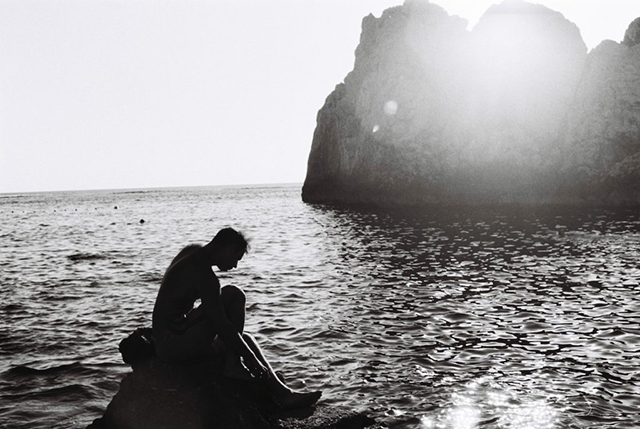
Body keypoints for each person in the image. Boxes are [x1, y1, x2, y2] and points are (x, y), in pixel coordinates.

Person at [152, 227, 321, 409]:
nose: (235, 266)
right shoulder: (204, 274)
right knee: (233, 294)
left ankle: (284, 395)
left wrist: (244, 350)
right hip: (171, 342)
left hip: (173, 334)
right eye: (236, 258)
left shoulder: (192, 252)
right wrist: (251, 360)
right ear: (228, 249)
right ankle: (233, 364)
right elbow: (220, 324)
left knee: (245, 339)